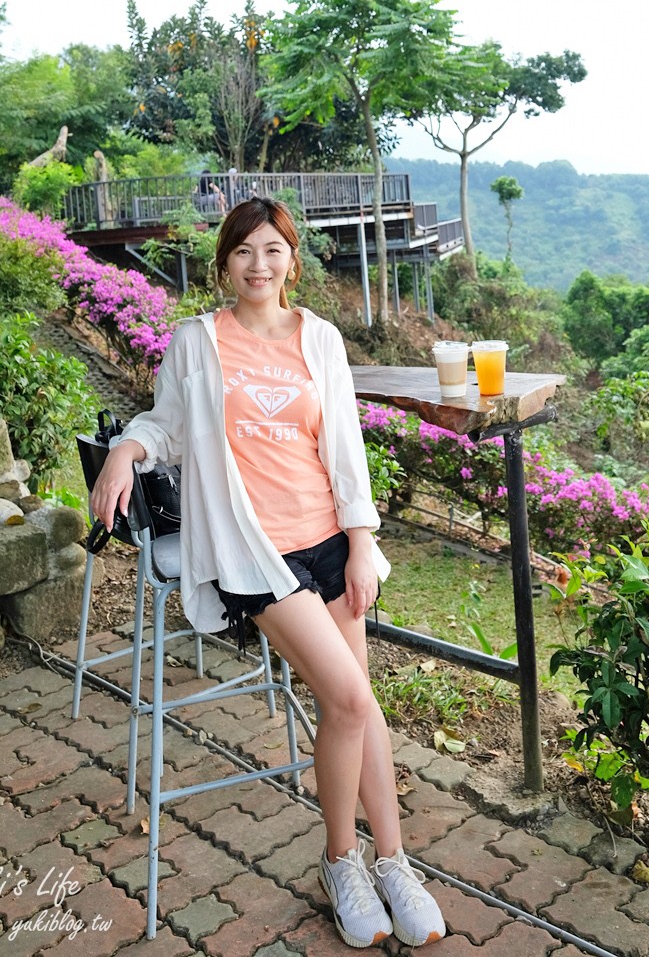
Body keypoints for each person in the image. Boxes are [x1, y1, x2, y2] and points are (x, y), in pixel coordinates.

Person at [90, 197, 446, 949]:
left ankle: (394, 862)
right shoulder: (196, 343)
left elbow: (345, 451)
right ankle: (341, 861)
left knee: (363, 704)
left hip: (326, 539)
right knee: (348, 698)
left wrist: (361, 543)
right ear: (224, 264)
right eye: (244, 251)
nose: (259, 265)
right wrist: (126, 448)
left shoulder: (320, 339)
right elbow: (168, 427)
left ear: (292, 261)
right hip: (255, 554)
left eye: (273, 250)